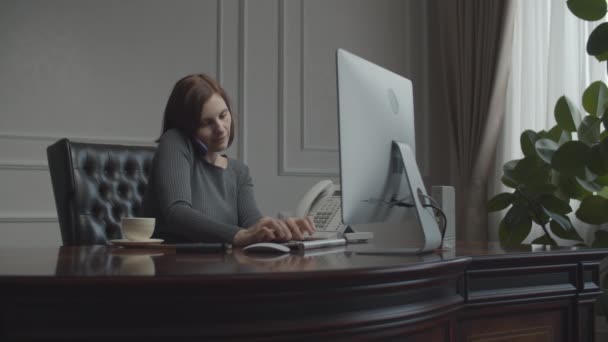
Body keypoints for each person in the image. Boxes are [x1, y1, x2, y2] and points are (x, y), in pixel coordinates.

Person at [142, 74, 315, 246]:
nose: (220, 129)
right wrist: (238, 235)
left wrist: (282, 230)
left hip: (222, 268)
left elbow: (253, 226)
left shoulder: (239, 171)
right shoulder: (174, 141)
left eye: (223, 115)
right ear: (187, 128)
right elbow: (177, 212)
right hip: (172, 266)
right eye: (206, 123)